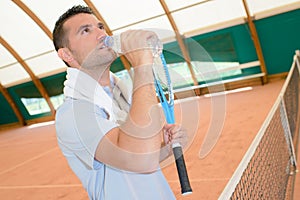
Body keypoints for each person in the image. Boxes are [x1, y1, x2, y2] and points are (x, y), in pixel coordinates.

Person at [53, 5, 187, 200]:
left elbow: (143, 157)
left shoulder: (121, 96)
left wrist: (165, 148)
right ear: (67, 55)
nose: (100, 34)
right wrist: (142, 65)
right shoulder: (73, 114)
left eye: (100, 27)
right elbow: (137, 160)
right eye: (86, 31)